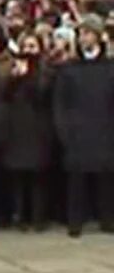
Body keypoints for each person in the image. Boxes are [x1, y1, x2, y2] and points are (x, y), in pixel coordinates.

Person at [52, 14, 114, 236]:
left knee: (106, 179)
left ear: (98, 36)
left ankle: (107, 219)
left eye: (87, 33)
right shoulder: (69, 69)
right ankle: (75, 221)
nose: (83, 38)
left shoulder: (109, 67)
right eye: (80, 34)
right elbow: (60, 103)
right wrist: (65, 130)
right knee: (77, 181)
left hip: (105, 129)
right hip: (77, 132)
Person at [0, 32, 53, 229]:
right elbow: (3, 94)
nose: (29, 51)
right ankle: (19, 215)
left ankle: (38, 217)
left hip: (37, 129)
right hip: (16, 128)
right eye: (26, 46)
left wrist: (29, 76)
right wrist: (14, 78)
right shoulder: (13, 67)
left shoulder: (46, 69)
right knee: (18, 178)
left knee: (37, 178)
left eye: (33, 46)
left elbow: (42, 93)